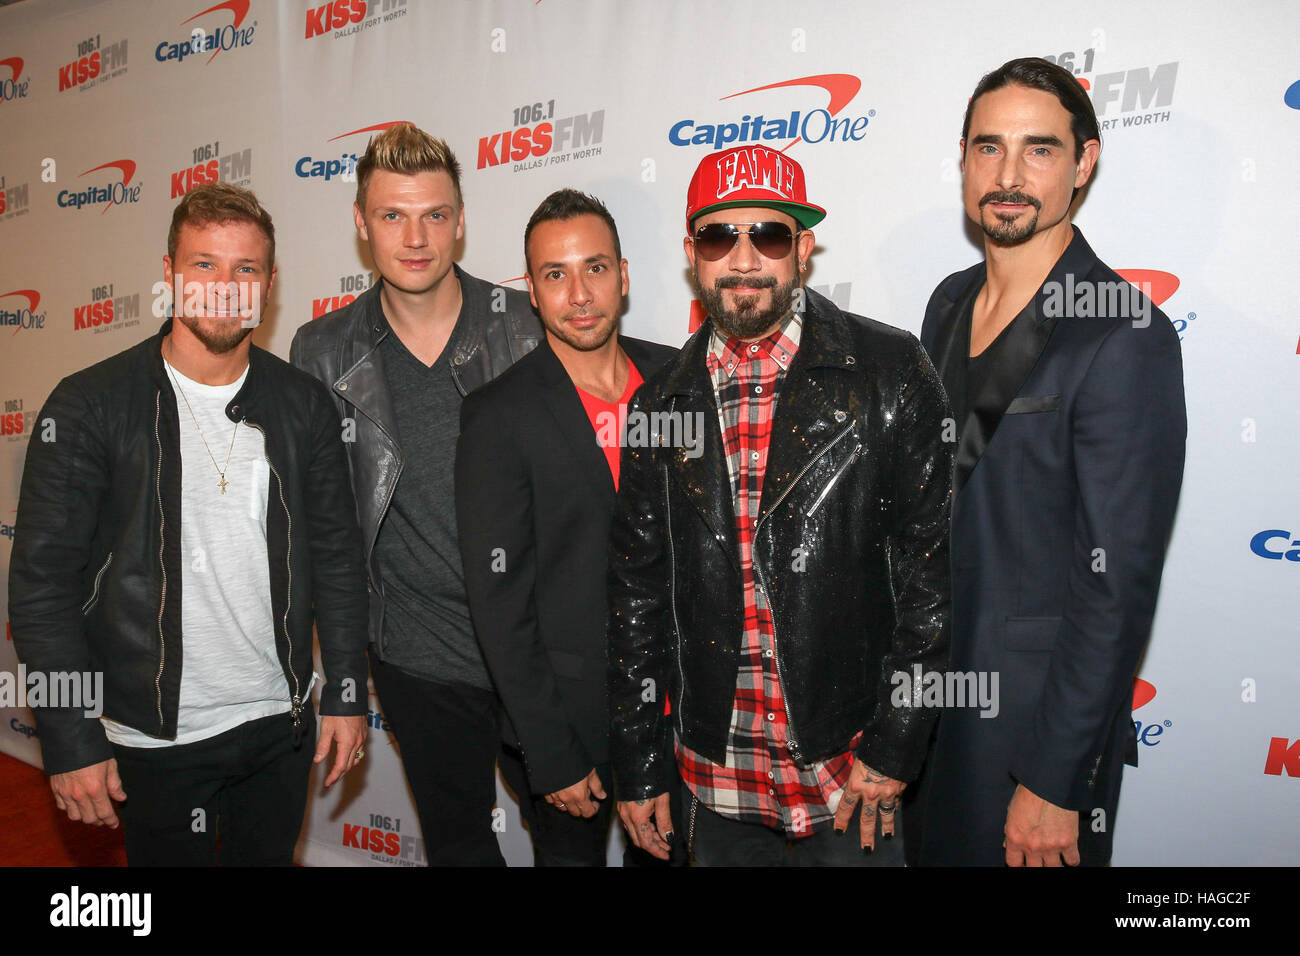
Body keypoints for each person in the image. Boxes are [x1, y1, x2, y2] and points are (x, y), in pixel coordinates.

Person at [608, 145, 953, 865]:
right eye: (717, 236)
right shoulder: (660, 401)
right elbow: (637, 598)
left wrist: (894, 746)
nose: (742, 259)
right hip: (717, 782)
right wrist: (641, 764)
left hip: (851, 779)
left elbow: (931, 580)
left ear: (802, 247)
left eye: (767, 235)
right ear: (691, 255)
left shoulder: (888, 373)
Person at [8, 182, 369, 866]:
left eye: (245, 269)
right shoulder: (90, 405)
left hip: (278, 728)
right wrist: (69, 735)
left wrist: (346, 689)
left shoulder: (303, 405)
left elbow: (338, 557)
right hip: (154, 742)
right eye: (204, 265)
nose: (224, 287)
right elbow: (42, 587)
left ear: (269, 282)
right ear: (169, 272)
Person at [906, 57, 1187, 866]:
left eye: (1039, 150)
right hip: (929, 716)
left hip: (1031, 739)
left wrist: (1058, 779)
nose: (1008, 175)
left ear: (1084, 163)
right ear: (963, 159)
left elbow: (1116, 586)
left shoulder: (1122, 334)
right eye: (988, 148)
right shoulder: (948, 302)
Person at [290, 122, 541, 866]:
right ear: (362, 225)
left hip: (536, 646)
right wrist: (341, 675)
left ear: (461, 222)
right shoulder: (321, 350)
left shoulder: (525, 326)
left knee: (573, 839)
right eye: (393, 215)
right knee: (462, 849)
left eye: (434, 214)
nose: (416, 236)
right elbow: (322, 526)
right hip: (415, 656)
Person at [456, 189, 679, 866]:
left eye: (596, 268)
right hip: (571, 728)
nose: (579, 293)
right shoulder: (499, 415)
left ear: (626, 274)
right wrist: (549, 753)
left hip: (678, 716)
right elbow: (499, 604)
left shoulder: (676, 380)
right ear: (532, 290)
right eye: (556, 274)